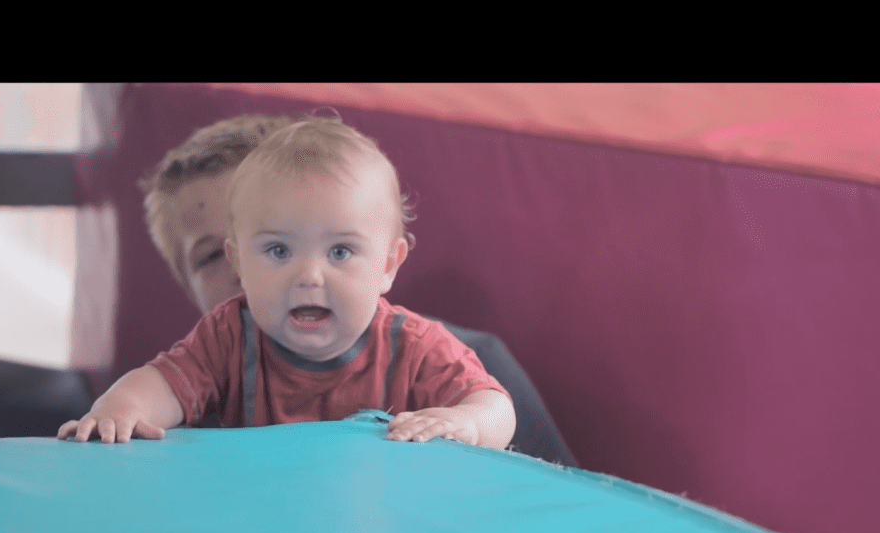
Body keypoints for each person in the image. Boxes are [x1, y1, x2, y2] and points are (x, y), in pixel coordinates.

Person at [76, 113, 580, 467]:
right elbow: (153, 388)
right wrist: (118, 410)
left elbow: (530, 479)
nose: (305, 275)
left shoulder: (442, 353)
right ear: (235, 258)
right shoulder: (220, 347)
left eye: (336, 248)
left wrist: (468, 424)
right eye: (274, 249)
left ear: (386, 263)